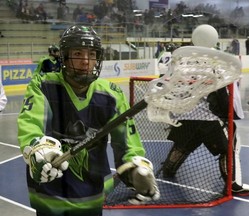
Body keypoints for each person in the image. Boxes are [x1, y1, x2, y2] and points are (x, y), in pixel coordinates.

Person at [17, 25, 159, 216]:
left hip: (90, 196)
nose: (86, 61)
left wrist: (135, 169)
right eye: (78, 53)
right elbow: (30, 124)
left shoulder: (112, 94)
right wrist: (38, 148)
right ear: (65, 56)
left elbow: (127, 143)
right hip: (48, 196)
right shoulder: (43, 85)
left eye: (92, 54)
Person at [161, 81, 249, 196]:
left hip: (183, 116)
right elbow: (223, 95)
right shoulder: (216, 67)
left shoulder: (183, 66)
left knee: (182, 146)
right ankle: (234, 185)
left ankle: (169, 168)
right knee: (230, 147)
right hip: (209, 118)